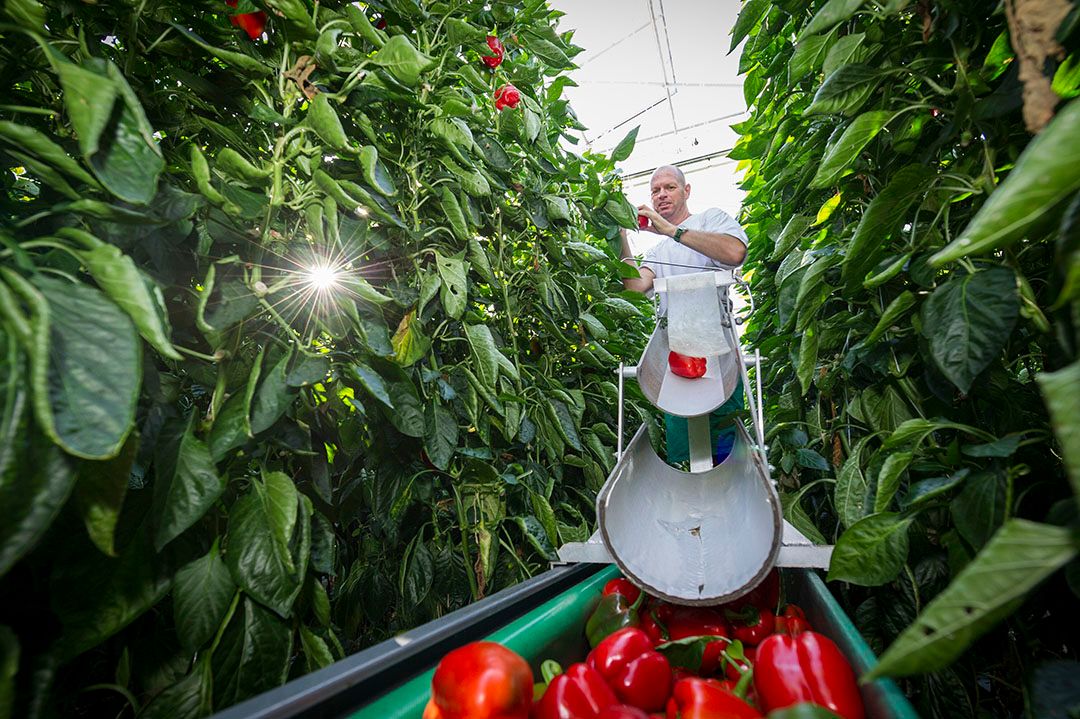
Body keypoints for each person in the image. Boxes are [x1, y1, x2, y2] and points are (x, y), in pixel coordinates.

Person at [619, 165, 749, 466]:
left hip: (718, 354)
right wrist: (620, 234)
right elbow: (636, 287)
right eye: (655, 190)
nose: (661, 195)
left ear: (686, 190)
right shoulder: (658, 250)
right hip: (677, 358)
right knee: (686, 451)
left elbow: (735, 253)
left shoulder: (710, 220)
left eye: (669, 187)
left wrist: (672, 230)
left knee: (726, 446)